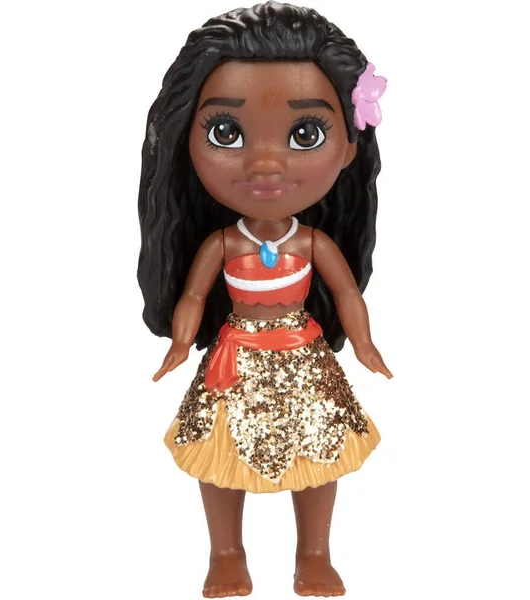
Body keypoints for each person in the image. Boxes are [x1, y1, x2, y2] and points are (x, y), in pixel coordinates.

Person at [137, 2, 392, 596]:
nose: (266, 162)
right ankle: (226, 552)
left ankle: (314, 553)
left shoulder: (312, 242)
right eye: (226, 133)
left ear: (348, 147)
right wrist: (180, 343)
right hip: (235, 360)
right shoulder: (224, 242)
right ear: (187, 142)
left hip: (303, 357)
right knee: (217, 457)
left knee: (321, 451)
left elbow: (346, 292)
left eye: (306, 134)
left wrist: (364, 343)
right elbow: (194, 293)